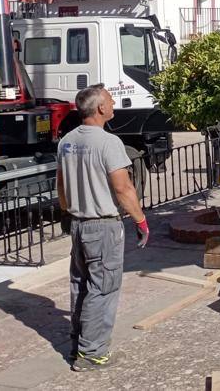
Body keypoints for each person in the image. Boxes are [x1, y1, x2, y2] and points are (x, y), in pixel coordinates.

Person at [56, 84, 149, 372]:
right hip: (103, 225)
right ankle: (92, 353)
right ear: (100, 108)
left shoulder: (67, 142)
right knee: (103, 287)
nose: (113, 104)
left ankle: (78, 343)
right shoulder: (109, 142)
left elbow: (61, 186)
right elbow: (123, 188)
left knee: (80, 284)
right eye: (109, 100)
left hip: (79, 224)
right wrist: (140, 220)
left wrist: (67, 211)